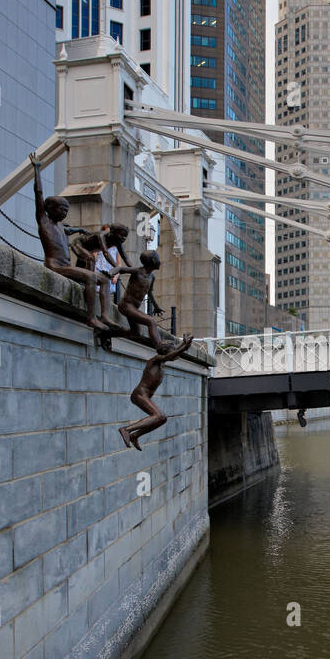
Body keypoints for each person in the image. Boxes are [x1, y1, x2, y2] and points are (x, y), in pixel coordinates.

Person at [32, 158, 118, 344]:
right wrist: (37, 169)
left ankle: (104, 315)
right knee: (91, 277)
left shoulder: (62, 227)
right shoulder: (44, 222)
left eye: (66, 210)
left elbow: (71, 230)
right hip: (55, 267)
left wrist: (80, 230)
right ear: (49, 209)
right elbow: (38, 194)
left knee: (102, 279)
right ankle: (90, 317)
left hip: (67, 267)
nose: (64, 212)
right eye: (61, 209)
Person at [118, 333, 194, 450]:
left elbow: (172, 352)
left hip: (144, 395)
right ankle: (126, 430)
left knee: (162, 419)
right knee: (159, 415)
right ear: (166, 353)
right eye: (172, 353)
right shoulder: (156, 359)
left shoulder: (162, 361)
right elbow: (169, 355)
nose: (175, 356)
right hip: (140, 394)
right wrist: (183, 348)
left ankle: (135, 436)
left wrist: (184, 343)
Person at [114, 249, 169, 349]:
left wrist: (156, 307)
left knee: (136, 332)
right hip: (126, 305)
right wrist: (110, 274)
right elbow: (120, 269)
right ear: (153, 261)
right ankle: (159, 346)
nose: (160, 261)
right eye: (158, 258)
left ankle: (108, 334)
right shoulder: (137, 271)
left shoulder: (152, 277)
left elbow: (150, 292)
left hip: (134, 308)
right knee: (151, 322)